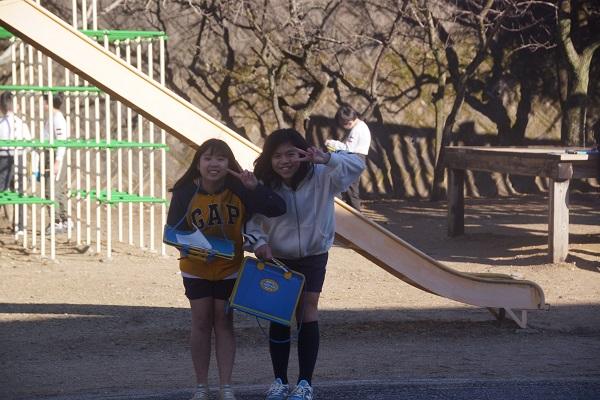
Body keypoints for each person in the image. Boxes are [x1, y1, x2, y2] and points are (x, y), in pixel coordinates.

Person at [245, 129, 365, 400]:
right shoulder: (264, 184)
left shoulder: (323, 174)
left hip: (313, 254)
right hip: (277, 256)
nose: (284, 161)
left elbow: (358, 166)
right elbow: (251, 221)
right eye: (277, 156)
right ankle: (279, 381)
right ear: (268, 158)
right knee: (279, 313)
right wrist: (258, 242)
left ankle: (305, 384)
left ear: (303, 152)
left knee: (308, 309)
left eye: (291, 154)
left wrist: (328, 159)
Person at [167, 139, 286, 400]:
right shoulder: (185, 191)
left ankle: (226, 386)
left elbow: (278, 208)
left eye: (221, 159)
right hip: (196, 267)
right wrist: (194, 249)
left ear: (229, 163)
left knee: (223, 321)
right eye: (208, 158)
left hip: (229, 266)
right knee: (200, 321)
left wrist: (255, 188)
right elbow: (172, 232)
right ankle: (201, 387)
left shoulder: (239, 188)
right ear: (198, 163)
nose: (214, 164)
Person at [325, 103, 371, 211]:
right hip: (355, 158)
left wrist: (332, 143)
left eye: (341, 123)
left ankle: (355, 215)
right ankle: (344, 211)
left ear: (347, 122)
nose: (341, 125)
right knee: (347, 187)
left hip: (355, 157)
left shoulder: (357, 130)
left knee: (350, 189)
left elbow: (348, 148)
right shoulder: (360, 126)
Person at [0, 91, 31, 234]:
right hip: (19, 158)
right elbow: (29, 145)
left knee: (1, 191)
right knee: (20, 192)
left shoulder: (1, 124)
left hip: (2, 159)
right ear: (15, 106)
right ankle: (20, 226)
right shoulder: (21, 123)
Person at [42, 92, 69, 232]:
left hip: (55, 156)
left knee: (50, 190)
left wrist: (57, 161)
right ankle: (65, 220)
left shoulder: (57, 119)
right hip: (51, 156)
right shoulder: (52, 117)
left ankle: (56, 220)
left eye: (44, 101)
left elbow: (61, 141)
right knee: (57, 190)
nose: (43, 104)